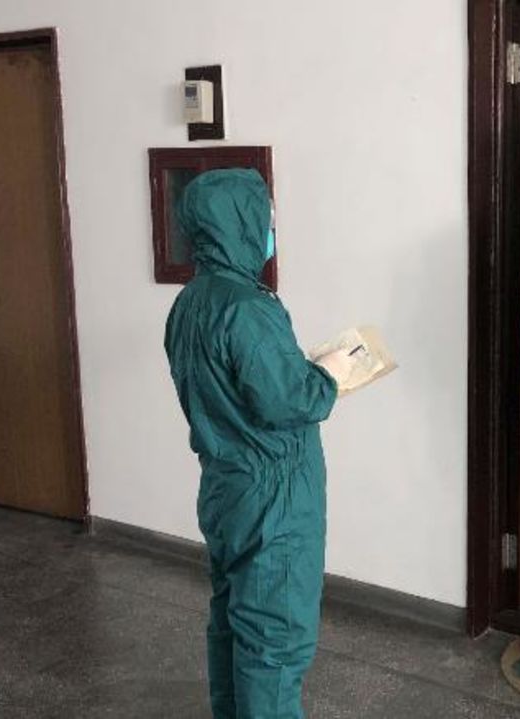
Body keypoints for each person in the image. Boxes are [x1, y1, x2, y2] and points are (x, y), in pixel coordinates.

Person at [164, 169, 356, 719]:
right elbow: (289, 402)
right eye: (265, 217)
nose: (270, 228)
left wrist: (298, 371)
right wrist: (331, 375)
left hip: (226, 486)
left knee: (231, 621)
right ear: (241, 224)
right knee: (275, 641)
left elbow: (231, 387)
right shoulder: (248, 307)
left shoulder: (191, 302)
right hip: (276, 499)